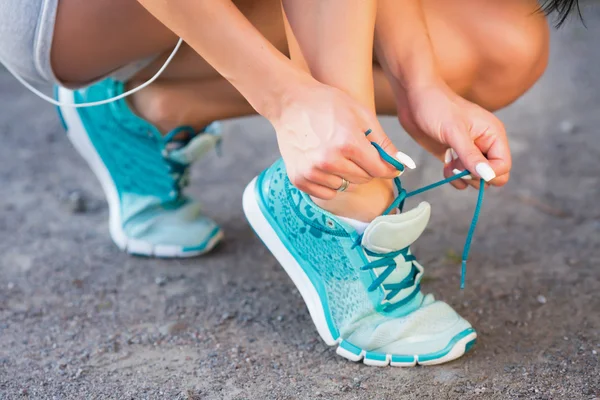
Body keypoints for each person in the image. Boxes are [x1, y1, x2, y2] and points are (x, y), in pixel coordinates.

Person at [0, 0, 576, 365]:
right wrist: (286, 98)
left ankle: (143, 108)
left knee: (504, 46)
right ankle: (337, 202)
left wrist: (419, 83)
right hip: (66, 17)